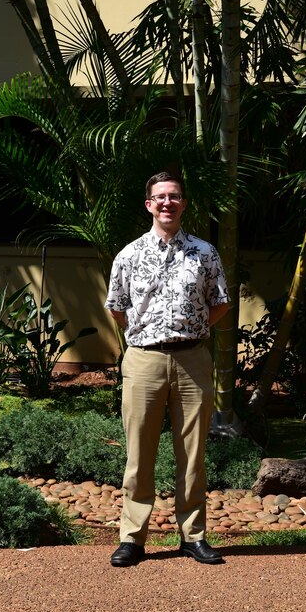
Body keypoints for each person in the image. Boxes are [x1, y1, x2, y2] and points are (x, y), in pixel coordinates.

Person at [104, 172, 231, 567]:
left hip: (193, 358)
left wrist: (192, 329)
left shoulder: (204, 252)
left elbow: (220, 301)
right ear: (149, 205)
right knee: (139, 451)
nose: (167, 203)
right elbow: (117, 308)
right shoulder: (129, 255)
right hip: (144, 360)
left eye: (174, 197)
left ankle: (193, 536)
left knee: (192, 453)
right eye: (160, 197)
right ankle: (132, 538)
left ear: (183, 204)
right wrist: (148, 334)